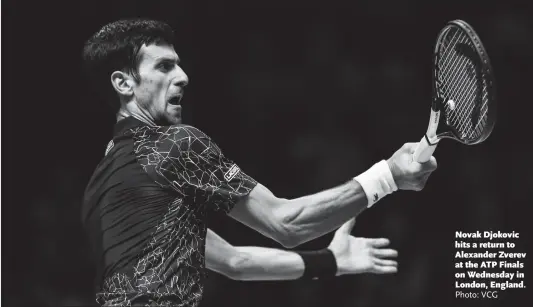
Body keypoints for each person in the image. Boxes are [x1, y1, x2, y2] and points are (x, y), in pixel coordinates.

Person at [81, 18, 437, 306]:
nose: (183, 76)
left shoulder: (104, 186)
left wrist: (329, 262)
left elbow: (235, 262)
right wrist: (388, 175)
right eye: (164, 66)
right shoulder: (175, 144)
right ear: (124, 83)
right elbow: (286, 223)